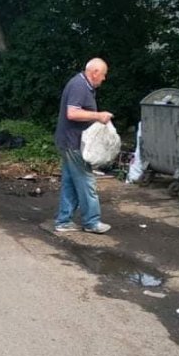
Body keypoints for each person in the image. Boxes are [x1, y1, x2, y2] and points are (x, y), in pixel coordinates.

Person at [54, 58, 114, 234]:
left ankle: (63, 221)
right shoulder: (79, 86)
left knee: (70, 182)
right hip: (73, 143)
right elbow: (72, 113)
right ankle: (91, 222)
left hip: (68, 140)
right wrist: (98, 116)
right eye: (103, 75)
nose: (104, 79)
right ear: (94, 72)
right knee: (86, 181)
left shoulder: (83, 85)